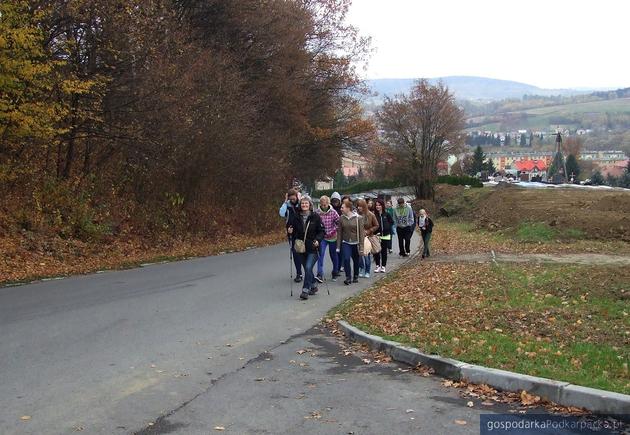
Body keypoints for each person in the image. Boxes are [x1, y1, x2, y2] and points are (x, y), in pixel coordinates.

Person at [287, 197, 325, 300]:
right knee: (307, 269)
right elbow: (292, 231)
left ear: (310, 205)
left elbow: (322, 231)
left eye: (306, 203)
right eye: (302, 203)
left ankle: (305, 290)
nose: (304, 205)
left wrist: (318, 240)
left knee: (308, 267)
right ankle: (313, 285)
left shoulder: (315, 217)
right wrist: (290, 232)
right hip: (300, 247)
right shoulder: (296, 217)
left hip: (313, 247)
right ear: (300, 205)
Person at [336, 201, 365, 285]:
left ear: (348, 208)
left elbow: (361, 233)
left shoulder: (358, 218)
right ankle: (348, 277)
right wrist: (338, 246)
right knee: (346, 258)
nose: (341, 209)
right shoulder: (341, 218)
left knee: (356, 260)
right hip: (346, 242)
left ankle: (355, 275)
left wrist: (362, 247)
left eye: (343, 207)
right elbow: (339, 233)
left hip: (356, 242)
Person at [279, 189, 303, 281]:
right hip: (291, 232)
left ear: (297, 197)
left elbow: (304, 210)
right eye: (290, 199)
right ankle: (299, 273)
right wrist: (285, 202)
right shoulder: (287, 205)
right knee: (295, 253)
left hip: (302, 231)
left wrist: (300, 201)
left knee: (303, 252)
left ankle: (307, 271)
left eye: (294, 199)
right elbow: (281, 213)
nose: (292, 200)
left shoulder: (301, 203)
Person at [315, 195, 340, 282]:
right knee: (320, 255)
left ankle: (335, 272)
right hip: (323, 237)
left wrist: (335, 229)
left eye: (325, 205)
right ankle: (320, 274)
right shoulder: (317, 212)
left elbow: (339, 222)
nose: (324, 206)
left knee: (333, 255)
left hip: (332, 236)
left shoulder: (333, 212)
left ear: (328, 204)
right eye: (322, 205)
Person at [356, 199, 378, 278]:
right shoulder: (356, 215)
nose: (359, 208)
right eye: (358, 206)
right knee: (359, 255)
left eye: (360, 206)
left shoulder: (371, 215)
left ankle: (367, 270)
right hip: (358, 237)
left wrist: (369, 231)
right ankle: (361, 268)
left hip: (367, 237)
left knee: (366, 255)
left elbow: (376, 225)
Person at [373, 199, 394, 273]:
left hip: (385, 235)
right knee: (376, 251)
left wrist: (387, 227)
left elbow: (391, 222)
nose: (378, 206)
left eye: (379, 205)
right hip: (376, 236)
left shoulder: (386, 214)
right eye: (376, 205)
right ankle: (377, 265)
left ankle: (383, 266)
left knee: (384, 251)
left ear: (382, 206)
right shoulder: (374, 215)